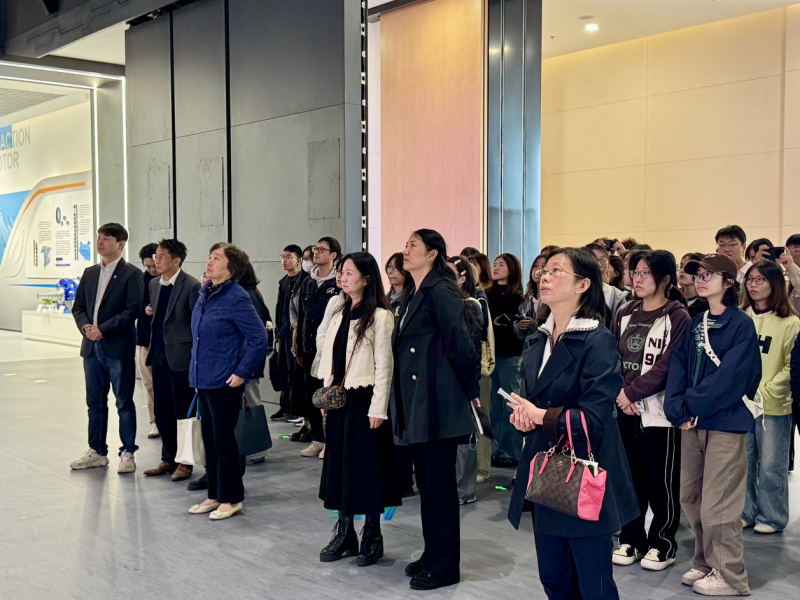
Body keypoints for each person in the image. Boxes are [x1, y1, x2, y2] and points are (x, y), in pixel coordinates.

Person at [506, 246, 638, 600]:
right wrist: (524, 419)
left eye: (557, 271)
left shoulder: (597, 340)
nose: (545, 276)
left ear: (583, 284)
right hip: (546, 474)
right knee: (555, 580)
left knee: (593, 585)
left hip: (585, 475)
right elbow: (536, 404)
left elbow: (594, 419)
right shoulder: (537, 338)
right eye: (543, 270)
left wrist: (539, 416)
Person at [665, 253, 761, 597]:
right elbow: (678, 364)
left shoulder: (742, 324)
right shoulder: (696, 322)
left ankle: (731, 575)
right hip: (693, 423)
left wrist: (689, 404)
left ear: (729, 282)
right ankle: (706, 562)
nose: (700, 279)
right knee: (690, 496)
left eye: (709, 274)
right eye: (698, 274)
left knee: (719, 503)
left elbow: (732, 378)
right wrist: (676, 407)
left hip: (726, 422)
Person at [392, 229, 479, 591]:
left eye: (413, 244)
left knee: (440, 489)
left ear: (432, 254)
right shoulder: (415, 293)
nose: (405, 250)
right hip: (420, 403)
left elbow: (462, 343)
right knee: (428, 486)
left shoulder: (441, 290)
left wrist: (470, 390)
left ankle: (445, 567)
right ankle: (433, 555)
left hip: (439, 402)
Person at [314, 252, 401, 565]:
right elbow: (330, 358)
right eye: (341, 272)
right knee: (340, 467)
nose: (342, 277)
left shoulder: (380, 315)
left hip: (365, 401)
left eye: (349, 272)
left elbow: (384, 366)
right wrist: (327, 396)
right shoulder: (339, 310)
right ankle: (345, 531)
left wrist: (378, 408)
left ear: (366, 278)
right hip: (340, 401)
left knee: (368, 468)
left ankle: (372, 535)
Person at [611, 250, 690, 571]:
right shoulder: (625, 312)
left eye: (645, 273)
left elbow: (668, 364)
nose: (638, 279)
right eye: (635, 272)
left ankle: (662, 543)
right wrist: (621, 394)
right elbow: (611, 356)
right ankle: (631, 538)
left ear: (665, 278)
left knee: (661, 482)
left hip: (659, 413)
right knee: (628, 479)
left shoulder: (677, 316)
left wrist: (631, 393)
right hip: (623, 409)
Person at [188, 244, 268, 520]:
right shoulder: (206, 293)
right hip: (205, 380)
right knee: (210, 441)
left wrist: (242, 372)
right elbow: (199, 337)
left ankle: (232, 498)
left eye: (216, 258)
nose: (209, 262)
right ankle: (214, 494)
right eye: (209, 257)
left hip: (225, 382)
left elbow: (259, 338)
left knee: (225, 442)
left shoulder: (236, 296)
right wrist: (195, 375)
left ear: (232, 268)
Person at [70, 224, 144, 473]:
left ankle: (128, 452)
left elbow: (132, 310)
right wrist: (86, 328)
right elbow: (78, 306)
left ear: (120, 244)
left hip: (117, 348)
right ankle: (97, 451)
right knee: (94, 402)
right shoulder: (90, 273)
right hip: (91, 348)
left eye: (107, 238)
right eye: (99, 237)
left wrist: (103, 329)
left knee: (124, 403)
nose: (100, 242)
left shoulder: (131, 274)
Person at [740, 260, 800, 534]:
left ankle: (772, 516)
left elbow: (791, 365)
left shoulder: (790, 323)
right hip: (740, 403)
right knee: (742, 463)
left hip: (773, 404)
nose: (753, 285)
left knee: (772, 465)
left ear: (775, 284)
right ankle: (745, 512)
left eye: (760, 280)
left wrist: (765, 390)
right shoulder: (741, 317)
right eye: (750, 280)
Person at [142, 239, 201, 481]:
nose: (157, 261)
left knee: (183, 412)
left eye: (162, 256)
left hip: (181, 357)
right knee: (162, 409)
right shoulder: (154, 284)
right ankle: (168, 458)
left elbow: (196, 325)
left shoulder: (191, 285)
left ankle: (185, 462)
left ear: (177, 261)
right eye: (156, 256)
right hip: (158, 354)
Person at [226, 249, 273, 466]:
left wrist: (245, 364)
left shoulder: (246, 294)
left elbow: (256, 334)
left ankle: (257, 448)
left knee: (251, 405)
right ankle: (252, 447)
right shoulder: (248, 292)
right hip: (245, 361)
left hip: (247, 362)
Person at [296, 237, 341, 457]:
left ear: (334, 255)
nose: (317, 252)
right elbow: (302, 316)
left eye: (322, 249)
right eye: (316, 248)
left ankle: (333, 440)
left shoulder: (338, 283)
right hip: (309, 348)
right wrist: (299, 345)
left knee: (331, 396)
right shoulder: (308, 282)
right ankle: (318, 439)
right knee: (311, 394)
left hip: (330, 350)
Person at [446, 255, 484, 504]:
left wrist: (472, 386)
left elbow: (472, 350)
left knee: (465, 435)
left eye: (450, 274)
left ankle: (464, 490)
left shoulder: (471, 304)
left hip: (462, 380)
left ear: (462, 278)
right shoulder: (437, 301)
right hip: (440, 381)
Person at [487, 253, 525, 467]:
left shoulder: (518, 298)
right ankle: (495, 450)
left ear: (512, 269)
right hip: (491, 357)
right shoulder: (487, 295)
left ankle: (511, 452)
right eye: (495, 264)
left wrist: (505, 323)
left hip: (510, 355)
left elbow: (519, 328)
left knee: (510, 403)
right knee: (493, 406)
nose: (496, 267)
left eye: (501, 264)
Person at [385, 251, 416, 497]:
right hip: (387, 368)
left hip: (406, 370)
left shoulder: (412, 300)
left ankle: (405, 480)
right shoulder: (385, 300)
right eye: (388, 267)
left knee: (402, 427)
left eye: (396, 267)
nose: (391, 272)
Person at [271, 244, 302, 421]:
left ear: (298, 261)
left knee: (293, 372)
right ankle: (284, 406)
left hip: (294, 333)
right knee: (282, 370)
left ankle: (294, 408)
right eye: (283, 256)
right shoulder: (283, 282)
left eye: (289, 257)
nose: (285, 260)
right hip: (283, 332)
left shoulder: (301, 281)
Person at [289, 245, 314, 442]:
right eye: (305, 258)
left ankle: (317, 429)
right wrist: (295, 327)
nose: (307, 261)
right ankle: (307, 424)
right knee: (302, 388)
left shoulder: (321, 284)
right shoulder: (301, 283)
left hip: (313, 342)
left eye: (309, 258)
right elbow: (293, 309)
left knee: (314, 390)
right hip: (300, 339)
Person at [136, 242, 159, 439]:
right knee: (148, 382)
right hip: (144, 337)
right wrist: (144, 309)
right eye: (147, 266)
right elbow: (131, 305)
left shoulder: (169, 280)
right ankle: (155, 421)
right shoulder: (140, 280)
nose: (151, 270)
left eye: (154, 265)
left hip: (165, 340)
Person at [586, 242, 627, 323]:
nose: (599, 264)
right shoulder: (572, 290)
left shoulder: (615, 295)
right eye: (594, 259)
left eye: (603, 260)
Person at [679, 252, 708, 317]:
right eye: (681, 266)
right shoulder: (671, 296)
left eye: (689, 268)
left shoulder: (706, 304)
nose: (682, 270)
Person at [385, 252, 414, 316]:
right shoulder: (386, 299)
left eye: (396, 267)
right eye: (389, 266)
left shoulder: (412, 299)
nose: (390, 271)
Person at [778, 234, 800, 315]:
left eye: (796, 248)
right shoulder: (783, 275)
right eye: (789, 249)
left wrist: (791, 266)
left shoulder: (791, 270)